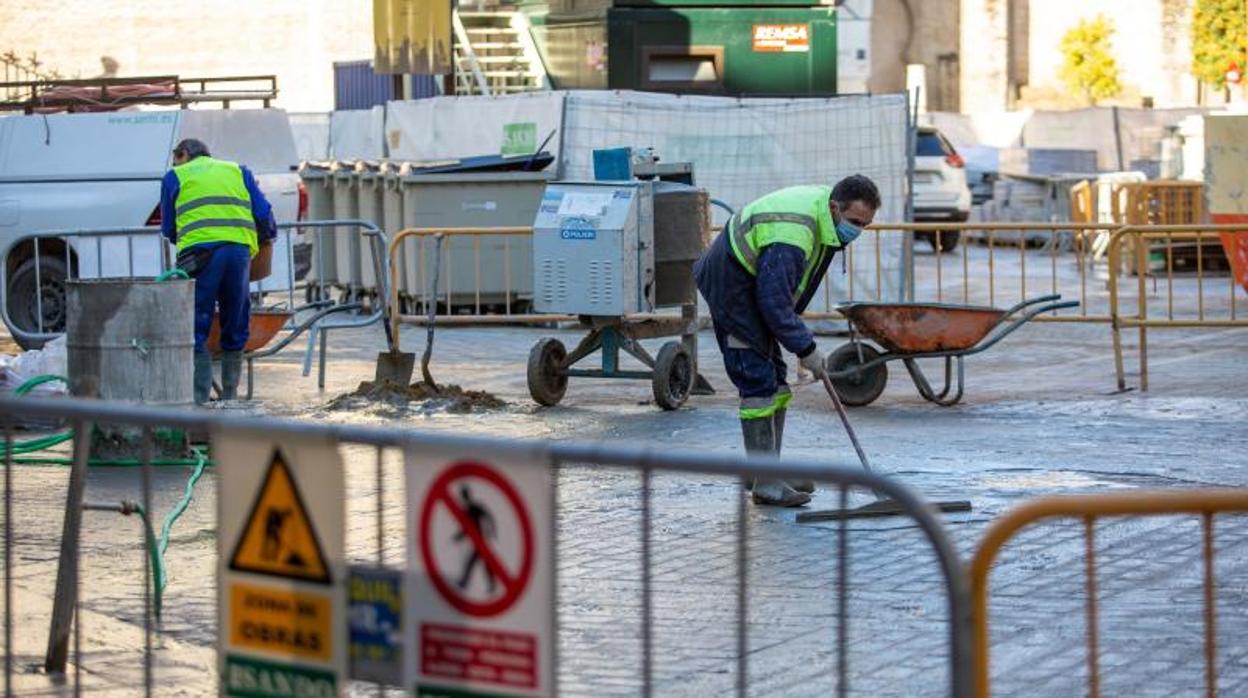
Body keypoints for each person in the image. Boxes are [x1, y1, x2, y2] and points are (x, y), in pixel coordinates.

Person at [693, 176, 881, 507]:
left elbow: (783, 295)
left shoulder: (825, 213)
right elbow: (774, 300)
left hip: (750, 284)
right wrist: (806, 348)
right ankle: (765, 482)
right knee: (757, 380)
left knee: (776, 380)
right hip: (731, 286)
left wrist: (792, 339)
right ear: (836, 208)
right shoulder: (793, 233)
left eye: (864, 225)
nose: (857, 231)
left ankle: (766, 470)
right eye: (854, 222)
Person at [159, 138, 277, 404]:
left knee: (195, 323)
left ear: (184, 154)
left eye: (175, 158)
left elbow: (168, 229)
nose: (174, 163)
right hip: (238, 254)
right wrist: (266, 238)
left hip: (199, 257)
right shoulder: (238, 170)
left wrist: (192, 236)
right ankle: (231, 399)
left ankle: (199, 404)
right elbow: (263, 213)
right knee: (235, 319)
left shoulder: (174, 177)